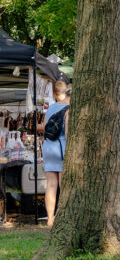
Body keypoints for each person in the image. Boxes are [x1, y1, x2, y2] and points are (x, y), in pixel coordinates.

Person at [41, 80, 70, 227]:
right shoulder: (69, 108)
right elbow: (67, 131)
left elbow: (46, 127)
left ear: (54, 92)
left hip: (48, 147)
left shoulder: (51, 108)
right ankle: (63, 216)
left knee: (51, 185)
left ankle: (50, 218)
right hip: (62, 147)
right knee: (64, 185)